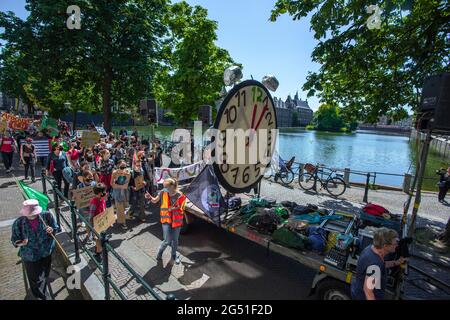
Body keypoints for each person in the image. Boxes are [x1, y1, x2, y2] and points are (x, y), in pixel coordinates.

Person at [11, 199, 60, 300]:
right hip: (30, 256)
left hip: (46, 252)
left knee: (45, 274)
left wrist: (52, 229)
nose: (32, 215)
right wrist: (22, 243)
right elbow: (14, 241)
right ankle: (42, 297)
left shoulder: (47, 216)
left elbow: (56, 228)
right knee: (36, 280)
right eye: (30, 214)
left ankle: (41, 291)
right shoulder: (19, 223)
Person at [351, 227, 406, 300]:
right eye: (395, 244)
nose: (397, 245)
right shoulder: (375, 266)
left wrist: (396, 263)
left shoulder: (371, 248)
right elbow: (368, 291)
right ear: (385, 246)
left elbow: (381, 264)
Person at [145, 178, 187, 264]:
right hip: (166, 220)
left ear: (172, 186)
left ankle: (174, 255)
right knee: (167, 240)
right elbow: (155, 200)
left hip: (176, 221)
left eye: (166, 186)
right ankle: (160, 252)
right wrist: (150, 198)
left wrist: (174, 208)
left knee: (175, 240)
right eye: (164, 186)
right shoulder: (163, 192)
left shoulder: (180, 195)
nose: (164, 188)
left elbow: (182, 207)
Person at [88, 183, 107, 261]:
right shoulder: (94, 202)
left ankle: (97, 251)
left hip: (102, 222)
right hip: (96, 225)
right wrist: (92, 228)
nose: (105, 192)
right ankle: (98, 255)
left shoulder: (101, 198)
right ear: (100, 193)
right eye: (104, 191)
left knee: (100, 240)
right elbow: (90, 216)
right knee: (98, 240)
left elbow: (104, 208)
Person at [111, 160, 130, 230]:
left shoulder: (127, 172)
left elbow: (127, 183)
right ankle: (122, 222)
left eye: (125, 166)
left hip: (125, 192)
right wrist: (120, 186)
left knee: (125, 207)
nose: (124, 168)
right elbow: (112, 184)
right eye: (122, 166)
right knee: (120, 208)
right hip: (117, 192)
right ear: (118, 165)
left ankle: (122, 218)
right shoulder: (114, 173)